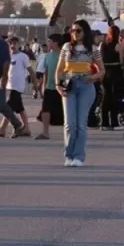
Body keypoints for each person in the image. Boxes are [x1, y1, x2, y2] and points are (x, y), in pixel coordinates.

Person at [57, 20, 105, 167]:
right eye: (73, 31)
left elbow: (102, 70)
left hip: (85, 85)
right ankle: (68, 155)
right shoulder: (66, 47)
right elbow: (59, 69)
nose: (75, 34)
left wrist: (93, 77)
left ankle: (78, 156)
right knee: (69, 123)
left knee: (81, 124)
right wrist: (58, 85)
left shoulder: (92, 48)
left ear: (85, 32)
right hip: (69, 85)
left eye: (78, 31)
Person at [0, 22, 24, 138]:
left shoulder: (2, 45)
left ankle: (17, 124)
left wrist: (4, 77)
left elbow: (6, 61)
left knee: (0, 105)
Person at [35, 34, 64, 139]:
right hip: (49, 87)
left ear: (56, 42)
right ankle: (45, 132)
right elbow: (46, 71)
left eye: (50, 41)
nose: (48, 43)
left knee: (63, 110)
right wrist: (43, 85)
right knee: (45, 109)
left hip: (61, 87)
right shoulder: (47, 56)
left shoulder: (63, 55)